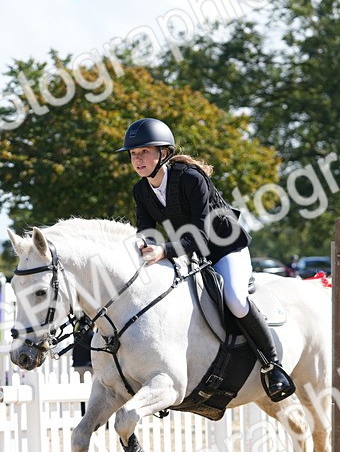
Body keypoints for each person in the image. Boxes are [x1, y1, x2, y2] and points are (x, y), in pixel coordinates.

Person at [118, 118, 295, 401]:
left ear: (163, 152)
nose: (137, 159)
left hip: (225, 248)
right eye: (133, 154)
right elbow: (147, 232)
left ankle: (272, 365)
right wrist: (138, 248)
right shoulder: (141, 190)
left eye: (144, 152)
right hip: (193, 253)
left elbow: (201, 233)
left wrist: (164, 251)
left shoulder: (190, 178)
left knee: (234, 300)